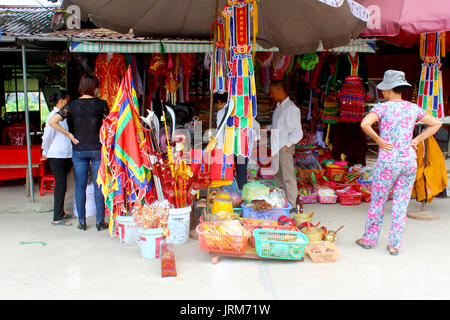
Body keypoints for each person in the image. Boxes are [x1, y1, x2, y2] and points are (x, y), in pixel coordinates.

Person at [356, 70, 442, 255]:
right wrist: (417, 140)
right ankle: (394, 245)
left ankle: (369, 239)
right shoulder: (412, 108)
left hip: (387, 162)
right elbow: (436, 123)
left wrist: (378, 140)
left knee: (378, 201)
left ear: (387, 90)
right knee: (401, 204)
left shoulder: (381, 108)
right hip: (408, 161)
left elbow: (364, 124)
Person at [49, 74, 109, 231]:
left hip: (78, 150)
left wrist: (69, 135)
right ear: (93, 87)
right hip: (97, 149)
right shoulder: (101, 104)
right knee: (98, 186)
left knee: (80, 186)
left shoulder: (72, 105)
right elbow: (110, 125)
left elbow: (52, 121)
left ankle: (82, 222)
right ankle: (100, 222)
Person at [214, 92, 260, 190]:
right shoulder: (242, 110)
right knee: (241, 174)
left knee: (226, 174)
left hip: (228, 149)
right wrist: (252, 142)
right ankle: (242, 198)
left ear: (219, 102)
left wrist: (220, 151)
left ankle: (227, 197)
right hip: (242, 148)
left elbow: (220, 132)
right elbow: (256, 126)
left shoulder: (221, 112)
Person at [269, 80, 303, 208]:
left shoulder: (291, 109)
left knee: (288, 178)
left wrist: (287, 145)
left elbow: (297, 132)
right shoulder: (278, 108)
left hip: (284, 148)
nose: (271, 95)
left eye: (273, 92)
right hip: (277, 148)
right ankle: (283, 203)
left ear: (279, 90)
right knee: (278, 178)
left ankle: (294, 206)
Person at [41, 90, 73, 226]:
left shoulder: (61, 116)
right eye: (67, 101)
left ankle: (61, 212)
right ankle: (57, 217)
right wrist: (45, 152)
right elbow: (47, 137)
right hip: (56, 155)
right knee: (60, 185)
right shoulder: (52, 116)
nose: (68, 104)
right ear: (61, 101)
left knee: (63, 184)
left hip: (64, 154)